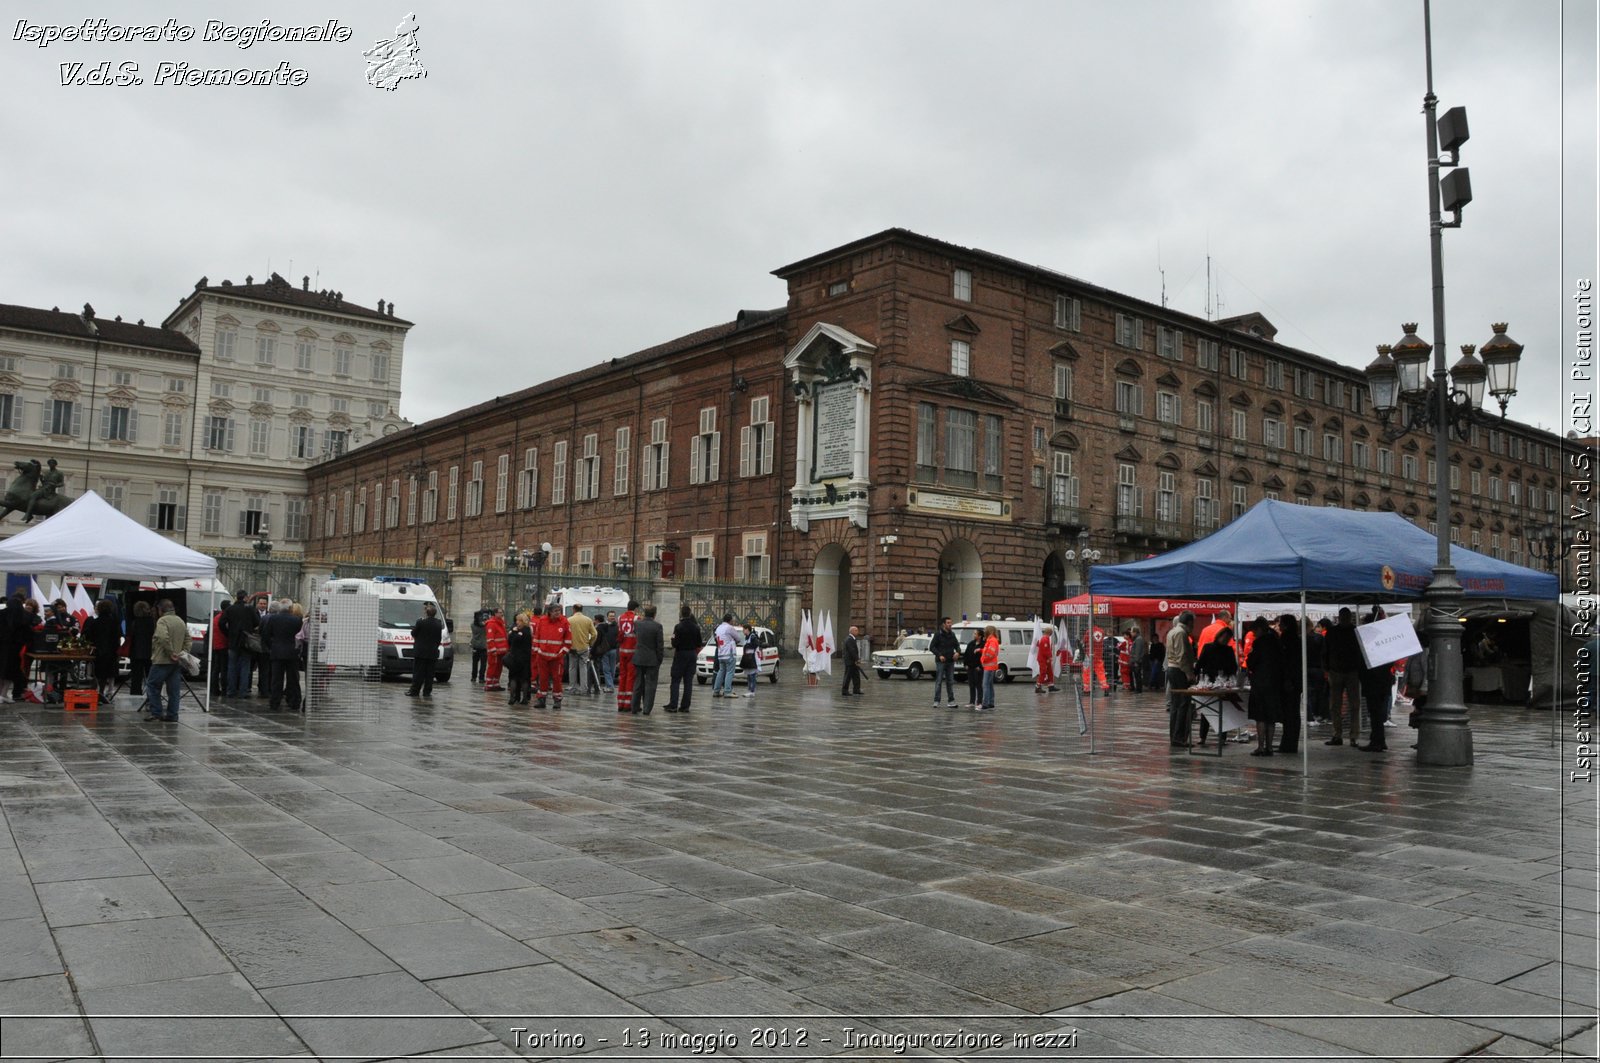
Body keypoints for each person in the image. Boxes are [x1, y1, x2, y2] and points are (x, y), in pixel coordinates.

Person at [1245, 616, 1286, 756]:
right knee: (1271, 716)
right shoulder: (1276, 641)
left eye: (1255, 631)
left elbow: (1252, 662)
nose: (1254, 634)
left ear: (1259, 629)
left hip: (1261, 682)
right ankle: (1269, 746)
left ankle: (1261, 746)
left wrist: (1250, 658)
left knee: (1260, 716)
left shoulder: (1259, 643)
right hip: (1275, 683)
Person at [1323, 607, 1364, 746]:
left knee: (1349, 705)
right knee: (1339, 705)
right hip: (1341, 671)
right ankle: (1344, 735)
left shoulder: (1337, 632)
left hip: (1346, 671)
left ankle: (1346, 735)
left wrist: (1326, 667)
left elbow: (1325, 651)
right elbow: (1325, 651)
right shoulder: (1352, 631)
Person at [144, 599, 187, 723]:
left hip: (162, 660)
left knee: (152, 685)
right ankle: (172, 714)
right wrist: (182, 653)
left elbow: (163, 637)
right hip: (176, 662)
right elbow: (188, 639)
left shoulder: (162, 621)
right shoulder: (180, 621)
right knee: (174, 690)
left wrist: (171, 652)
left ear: (160, 609)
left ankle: (156, 712)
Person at [1358, 607, 1393, 752]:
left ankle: (1376, 741)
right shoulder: (1385, 641)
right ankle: (1379, 740)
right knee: (1378, 712)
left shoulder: (1371, 643)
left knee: (1376, 713)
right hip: (1383, 681)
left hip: (1374, 682)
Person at [262, 600, 304, 712]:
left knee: (276, 679)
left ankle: (275, 702)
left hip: (277, 652)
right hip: (292, 653)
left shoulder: (273, 619)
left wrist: (271, 646)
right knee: (293, 678)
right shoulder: (297, 620)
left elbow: (266, 634)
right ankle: (294, 701)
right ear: (290, 608)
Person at [1166, 610, 1197, 747]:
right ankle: (1179, 737)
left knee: (1176, 704)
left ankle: (1175, 736)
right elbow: (1182, 655)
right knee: (1183, 704)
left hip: (1173, 669)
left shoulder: (1173, 631)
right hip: (1179, 670)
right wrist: (1189, 673)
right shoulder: (1181, 633)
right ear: (1189, 622)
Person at [531, 601, 571, 708]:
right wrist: (537, 650)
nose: (558, 613)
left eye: (559, 611)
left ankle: (557, 700)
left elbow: (568, 641)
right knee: (542, 678)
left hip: (556, 658)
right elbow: (536, 637)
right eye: (555, 611)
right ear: (549, 612)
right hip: (542, 656)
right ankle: (541, 699)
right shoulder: (542, 621)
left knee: (557, 679)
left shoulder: (565, 622)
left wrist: (561, 653)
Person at [83, 598, 122, 704]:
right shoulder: (115, 622)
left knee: (98, 674)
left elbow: (88, 636)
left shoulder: (95, 622)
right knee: (108, 674)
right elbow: (117, 637)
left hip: (98, 651)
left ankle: (98, 693)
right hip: (111, 652)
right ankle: (103, 692)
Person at [405, 601, 445, 699]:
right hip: (432, 652)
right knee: (429, 674)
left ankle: (414, 691)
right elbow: (438, 639)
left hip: (421, 652)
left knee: (418, 673)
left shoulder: (421, 622)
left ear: (426, 613)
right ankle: (427, 692)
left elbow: (414, 633)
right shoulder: (438, 623)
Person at [1277, 614, 1304, 755]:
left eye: (1280, 623)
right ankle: (1290, 742)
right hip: (1295, 680)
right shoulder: (1297, 639)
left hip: (1289, 681)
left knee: (1289, 713)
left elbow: (1286, 662)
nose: (1278, 626)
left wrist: (1287, 680)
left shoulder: (1287, 639)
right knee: (1293, 712)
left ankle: (1288, 743)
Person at [223, 590, 259, 698]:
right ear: (245, 598)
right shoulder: (250, 609)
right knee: (245, 666)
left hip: (233, 641)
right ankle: (243, 691)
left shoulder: (230, 609)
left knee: (232, 666)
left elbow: (221, 623)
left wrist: (228, 633)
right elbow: (258, 622)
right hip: (246, 641)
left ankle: (231, 690)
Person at [630, 603, 664, 715]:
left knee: (638, 683)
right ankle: (647, 709)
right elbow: (660, 645)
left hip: (638, 657)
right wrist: (659, 659)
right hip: (652, 659)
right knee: (650, 685)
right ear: (654, 614)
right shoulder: (657, 626)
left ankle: (634, 707)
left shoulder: (637, 624)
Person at [666, 606, 702, 713]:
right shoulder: (696, 627)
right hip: (691, 654)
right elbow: (699, 643)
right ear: (690, 613)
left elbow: (674, 643)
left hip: (681, 654)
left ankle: (673, 705)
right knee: (688, 681)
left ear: (681, 614)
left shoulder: (678, 627)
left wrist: (673, 640)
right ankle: (685, 706)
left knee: (676, 680)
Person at [614, 599, 640, 713]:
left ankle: (620, 702)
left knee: (622, 677)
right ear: (635, 609)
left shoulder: (620, 618)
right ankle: (628, 703)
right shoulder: (636, 619)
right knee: (630, 677)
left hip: (622, 650)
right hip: (632, 651)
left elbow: (619, 634)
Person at [504, 611, 533, 705]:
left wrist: (513, 632)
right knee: (524, 679)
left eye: (518, 620)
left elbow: (510, 641)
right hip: (525, 658)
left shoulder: (514, 631)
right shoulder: (528, 630)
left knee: (513, 678)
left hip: (514, 657)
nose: (517, 622)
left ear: (521, 621)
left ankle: (513, 697)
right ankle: (524, 698)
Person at [127, 600, 155, 698]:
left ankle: (135, 697)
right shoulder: (152, 622)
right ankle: (150, 697)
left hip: (135, 653)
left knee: (136, 678)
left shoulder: (134, 622)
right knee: (150, 678)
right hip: (149, 653)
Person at [567, 603, 597, 693]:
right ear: (582, 609)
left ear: (573, 609)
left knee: (572, 667)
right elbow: (595, 634)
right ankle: (584, 688)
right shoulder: (588, 620)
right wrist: (590, 643)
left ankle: (572, 687)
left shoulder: (569, 620)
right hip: (584, 647)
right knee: (583, 667)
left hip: (572, 647)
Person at [931, 617, 961, 707]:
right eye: (948, 623)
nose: (950, 624)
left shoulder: (952, 634)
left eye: (951, 623)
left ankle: (951, 701)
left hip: (950, 661)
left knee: (950, 681)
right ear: (944, 624)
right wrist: (939, 655)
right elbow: (932, 647)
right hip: (941, 661)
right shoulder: (938, 634)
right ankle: (936, 700)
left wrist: (958, 652)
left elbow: (957, 645)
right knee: (939, 681)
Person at [24, 457, 64, 522]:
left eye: (52, 463)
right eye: (50, 463)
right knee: (31, 495)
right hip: (44, 487)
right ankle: (29, 514)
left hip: (50, 489)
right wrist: (41, 479)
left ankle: (28, 514)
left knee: (34, 495)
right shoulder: (46, 472)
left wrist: (55, 485)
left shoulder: (59, 473)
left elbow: (62, 483)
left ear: (55, 464)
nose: (51, 464)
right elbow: (44, 482)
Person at [711, 613, 739, 699]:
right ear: (730, 620)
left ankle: (716, 691)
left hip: (721, 653)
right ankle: (727, 691)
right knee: (730, 672)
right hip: (729, 653)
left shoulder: (719, 628)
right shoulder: (729, 628)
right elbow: (738, 639)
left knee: (721, 671)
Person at [1081, 625, 1111, 695]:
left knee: (1086, 671)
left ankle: (1087, 688)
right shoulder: (1102, 631)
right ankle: (1105, 686)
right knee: (1100, 672)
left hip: (1089, 654)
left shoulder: (1089, 631)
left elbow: (1085, 641)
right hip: (1098, 654)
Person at [483, 607, 508, 692]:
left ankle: (496, 683)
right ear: (495, 614)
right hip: (495, 651)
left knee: (499, 667)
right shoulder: (491, 623)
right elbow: (490, 639)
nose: (501, 614)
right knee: (492, 667)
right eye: (500, 612)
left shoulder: (501, 623)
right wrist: (493, 650)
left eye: (502, 612)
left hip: (501, 650)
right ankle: (489, 684)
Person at [593, 611, 618, 692]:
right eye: (611, 616)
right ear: (607, 617)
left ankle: (610, 686)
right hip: (605, 650)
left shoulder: (617, 626)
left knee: (612, 669)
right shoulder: (604, 626)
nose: (612, 617)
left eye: (613, 616)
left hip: (613, 650)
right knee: (606, 669)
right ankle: (610, 686)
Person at [209, 602, 229, 696]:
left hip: (216, 645)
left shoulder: (216, 617)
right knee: (223, 668)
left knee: (216, 668)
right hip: (223, 645)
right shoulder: (224, 618)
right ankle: (224, 688)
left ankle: (214, 688)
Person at [979, 624, 1000, 710]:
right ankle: (991, 702)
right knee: (989, 685)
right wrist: (980, 650)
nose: (984, 632)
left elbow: (990, 653)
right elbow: (987, 650)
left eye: (985, 631)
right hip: (991, 666)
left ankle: (985, 703)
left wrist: (983, 659)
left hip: (989, 666)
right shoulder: (991, 640)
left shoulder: (992, 641)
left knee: (985, 685)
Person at [963, 628, 984, 708]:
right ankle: (972, 701)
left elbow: (984, 657)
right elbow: (966, 654)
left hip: (978, 668)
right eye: (973, 633)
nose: (973, 635)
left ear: (980, 636)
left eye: (975, 634)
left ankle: (979, 702)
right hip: (970, 667)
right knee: (971, 685)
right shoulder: (971, 644)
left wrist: (980, 666)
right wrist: (966, 664)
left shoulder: (983, 644)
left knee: (978, 685)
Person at [840, 624, 863, 697]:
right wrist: (857, 659)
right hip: (850, 661)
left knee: (856, 676)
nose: (857, 631)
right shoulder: (849, 639)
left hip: (853, 661)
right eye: (856, 630)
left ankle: (856, 689)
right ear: (852, 631)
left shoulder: (852, 639)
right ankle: (845, 690)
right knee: (848, 676)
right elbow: (852, 650)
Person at [740, 622, 762, 698]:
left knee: (752, 675)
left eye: (743, 630)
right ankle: (749, 690)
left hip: (752, 658)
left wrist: (749, 647)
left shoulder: (752, 637)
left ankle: (752, 691)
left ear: (747, 629)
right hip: (748, 658)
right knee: (749, 675)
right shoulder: (747, 637)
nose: (743, 631)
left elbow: (756, 644)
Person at [1033, 626, 1056, 694]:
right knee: (1043, 672)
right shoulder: (1045, 639)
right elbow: (1046, 650)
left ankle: (1051, 685)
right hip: (1043, 659)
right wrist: (1049, 657)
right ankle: (1038, 686)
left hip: (1044, 658)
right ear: (1050, 632)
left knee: (1049, 672)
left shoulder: (1045, 638)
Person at [470, 610, 488, 685]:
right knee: (483, 663)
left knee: (474, 662)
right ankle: (481, 678)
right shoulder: (485, 625)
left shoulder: (472, 624)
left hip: (475, 645)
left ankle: (473, 677)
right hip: (484, 645)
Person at [1128, 626, 1146, 694]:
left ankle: (1138, 689)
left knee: (1137, 675)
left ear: (1135, 632)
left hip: (1137, 661)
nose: (1131, 633)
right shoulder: (1137, 639)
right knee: (1136, 675)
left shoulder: (1138, 639)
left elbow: (1137, 652)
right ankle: (1138, 689)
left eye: (1132, 632)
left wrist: (1136, 661)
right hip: (1135, 660)